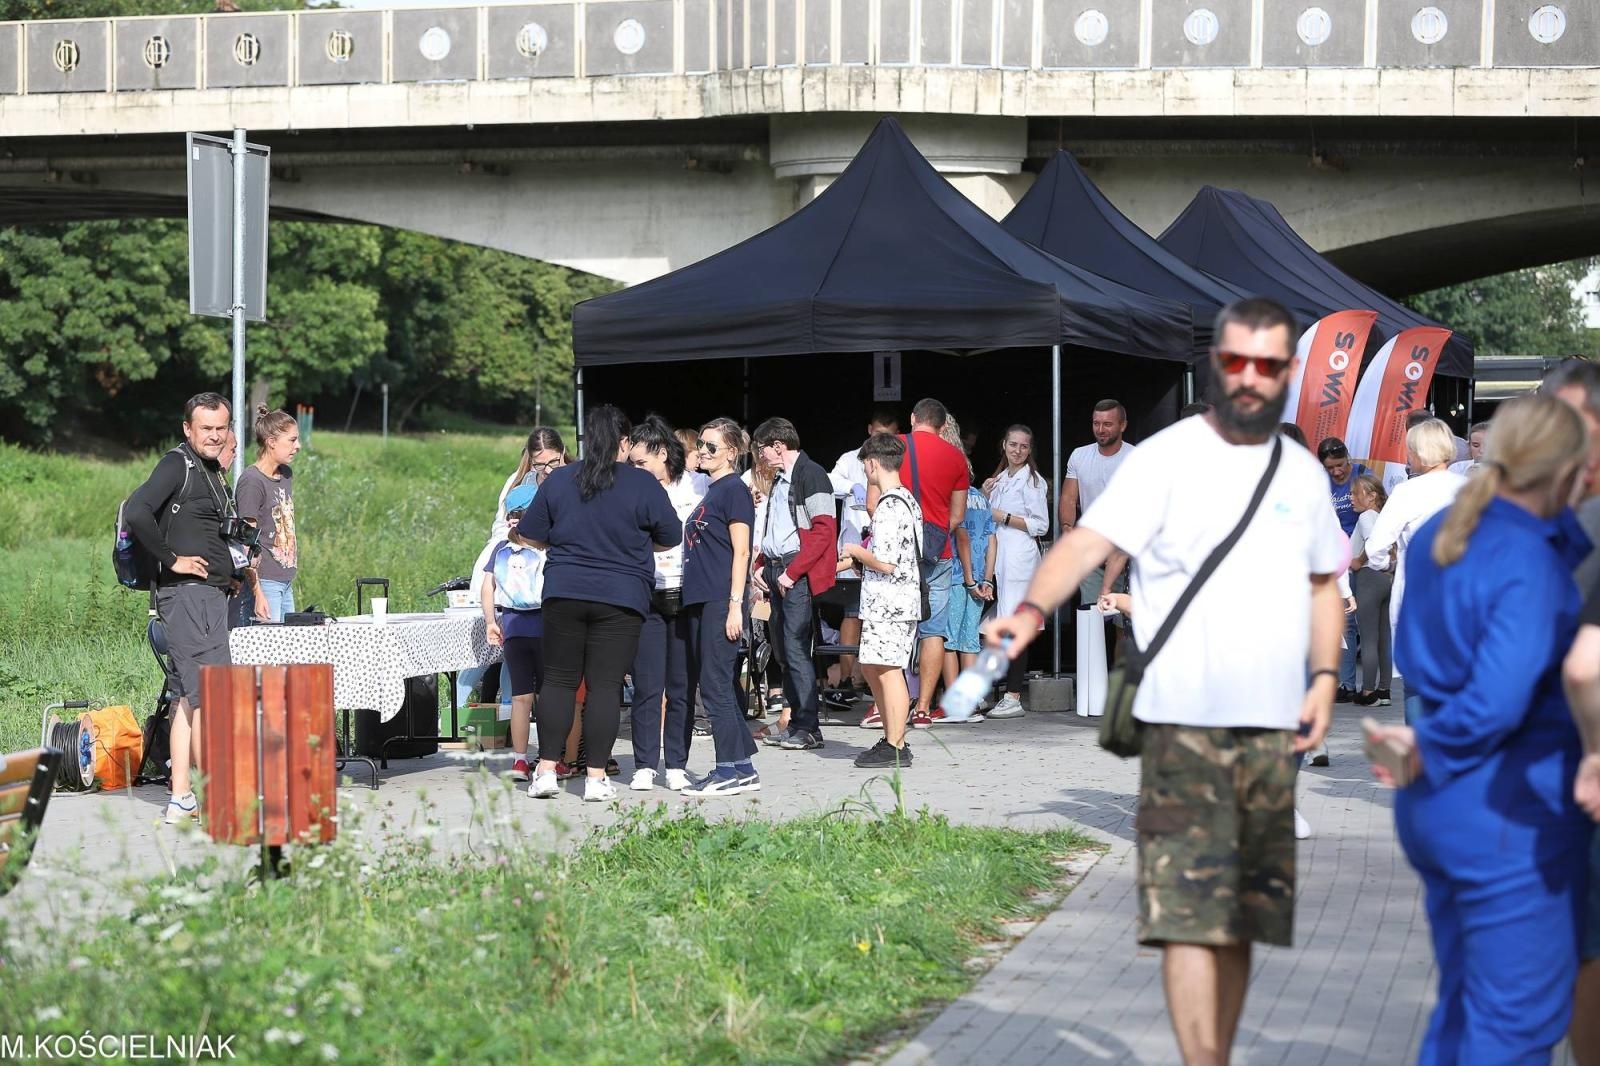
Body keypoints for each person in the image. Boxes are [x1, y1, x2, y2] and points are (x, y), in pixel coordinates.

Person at [986, 297, 1345, 1066]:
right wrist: (1027, 609)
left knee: (1245, 916)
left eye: (1269, 365)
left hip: (1270, 724)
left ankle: (1218, 1047)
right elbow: (1086, 542)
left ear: (1286, 373)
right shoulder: (1168, 458)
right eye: (1238, 362)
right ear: (1218, 366)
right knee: (1189, 912)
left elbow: (1323, 585)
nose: (1251, 378)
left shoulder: (1303, 474)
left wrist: (1322, 678)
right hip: (1181, 718)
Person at [1366, 394, 1591, 1065]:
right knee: (1516, 1025)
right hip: (1507, 807)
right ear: (1571, 470)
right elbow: (1498, 700)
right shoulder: (1527, 558)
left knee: (1469, 1007)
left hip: (1443, 803)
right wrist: (1427, 741)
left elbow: (1415, 653)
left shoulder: (1449, 531)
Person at [517, 406, 682, 802]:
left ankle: (544, 773)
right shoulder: (643, 485)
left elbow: (530, 534)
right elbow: (671, 535)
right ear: (624, 442)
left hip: (564, 592)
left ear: (585, 442)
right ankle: (594, 779)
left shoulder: (559, 482)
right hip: (621, 598)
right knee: (605, 687)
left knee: (557, 681)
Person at [124, 392, 239, 825]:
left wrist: (234, 569)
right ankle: (218, 798)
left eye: (220, 428)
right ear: (187, 429)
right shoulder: (178, 464)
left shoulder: (211, 471)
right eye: (205, 428)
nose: (213, 435)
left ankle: (184, 798)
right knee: (209, 695)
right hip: (187, 597)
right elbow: (137, 511)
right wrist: (172, 560)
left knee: (188, 698)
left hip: (208, 596)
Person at [1363, 418, 1467, 722]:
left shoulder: (1408, 492)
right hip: (1462, 592)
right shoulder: (1469, 488)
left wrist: (1387, 565)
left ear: (1419, 453)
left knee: (1417, 685)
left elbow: (1376, 547)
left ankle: (1420, 757)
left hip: (1418, 594)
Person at [680, 418, 759, 796]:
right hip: (701, 598)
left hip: (719, 598)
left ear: (731, 452)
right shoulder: (712, 490)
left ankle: (727, 769)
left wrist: (735, 605)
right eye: (701, 444)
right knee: (717, 682)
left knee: (714, 685)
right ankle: (742, 766)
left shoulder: (734, 491)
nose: (703, 451)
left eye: (712, 446)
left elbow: (741, 550)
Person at [625, 416, 703, 792]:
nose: (636, 469)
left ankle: (676, 763)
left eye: (641, 462)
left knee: (681, 685)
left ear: (661, 454)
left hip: (687, 593)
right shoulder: (632, 490)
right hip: (646, 592)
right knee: (646, 683)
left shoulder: (698, 486)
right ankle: (644, 764)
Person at [751, 417, 839, 751]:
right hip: (777, 570)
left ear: (777, 445)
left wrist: (792, 571)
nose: (760, 455)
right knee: (784, 649)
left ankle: (809, 728)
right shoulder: (780, 479)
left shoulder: (811, 473)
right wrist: (762, 564)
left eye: (762, 448)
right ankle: (795, 722)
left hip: (793, 572)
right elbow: (778, 526)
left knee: (797, 648)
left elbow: (823, 530)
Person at [841, 433, 924, 767]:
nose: (865, 471)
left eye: (864, 465)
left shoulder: (891, 505)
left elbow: (887, 562)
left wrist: (856, 551)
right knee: (875, 667)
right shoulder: (905, 499)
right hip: (887, 602)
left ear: (873, 463)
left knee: (889, 672)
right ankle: (891, 738)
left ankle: (896, 743)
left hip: (891, 604)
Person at [886, 398, 969, 728]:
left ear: (912, 418)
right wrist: (931, 535)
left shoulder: (893, 448)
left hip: (896, 556)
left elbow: (873, 503)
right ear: (942, 425)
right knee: (932, 631)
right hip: (939, 555)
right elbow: (958, 516)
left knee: (895, 627)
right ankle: (922, 709)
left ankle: (896, 702)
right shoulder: (956, 458)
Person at [829, 408, 900, 698]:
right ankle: (847, 679)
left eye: (889, 435)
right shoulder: (849, 459)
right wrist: (852, 486)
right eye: (879, 433)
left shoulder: (896, 462)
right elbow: (829, 482)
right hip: (852, 552)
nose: (882, 438)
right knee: (852, 614)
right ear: (869, 429)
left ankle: (872, 683)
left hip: (880, 551)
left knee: (876, 620)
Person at [980, 425, 1049, 720]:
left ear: (1030, 450)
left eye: (1023, 446)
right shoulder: (1000, 480)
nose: (1017, 451)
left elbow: (1040, 525)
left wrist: (1004, 516)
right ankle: (985, 689)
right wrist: (984, 495)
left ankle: (1013, 695)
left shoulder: (1032, 483)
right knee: (986, 627)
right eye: (1013, 445)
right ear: (1003, 445)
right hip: (998, 559)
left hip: (1020, 557)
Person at [481, 482, 545, 782]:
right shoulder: (546, 545)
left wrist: (490, 621)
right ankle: (550, 758)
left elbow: (487, 587)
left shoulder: (500, 548)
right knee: (550, 696)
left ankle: (519, 761)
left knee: (521, 698)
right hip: (546, 627)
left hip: (514, 628)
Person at [941, 421, 997, 724]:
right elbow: (992, 539)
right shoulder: (981, 497)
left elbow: (960, 537)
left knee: (950, 641)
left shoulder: (955, 500)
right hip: (978, 579)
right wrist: (987, 579)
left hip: (955, 577)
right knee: (970, 641)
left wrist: (970, 580)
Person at [1063, 400, 1136, 626]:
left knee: (1125, 626)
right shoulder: (1079, 455)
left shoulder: (1136, 457)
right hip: (1092, 550)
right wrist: (1067, 528)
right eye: (1096, 423)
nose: (1101, 429)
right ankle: (1092, 663)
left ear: (1122, 425)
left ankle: (1120, 664)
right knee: (1092, 619)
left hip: (1128, 552)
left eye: (1107, 424)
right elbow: (1068, 497)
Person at [235, 406, 300, 624]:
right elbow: (247, 543)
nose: (297, 446)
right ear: (271, 442)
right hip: (265, 582)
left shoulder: (285, 475)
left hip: (285, 579)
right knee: (268, 654)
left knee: (287, 652)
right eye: (292, 440)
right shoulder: (252, 482)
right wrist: (258, 592)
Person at [1318, 436, 1370, 702]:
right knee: (1346, 623)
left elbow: (1375, 510)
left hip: (1362, 557)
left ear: (1348, 458)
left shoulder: (1362, 473)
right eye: (1330, 468)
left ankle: (1373, 685)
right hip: (1337, 558)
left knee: (1368, 626)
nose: (1337, 472)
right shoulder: (1319, 484)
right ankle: (1347, 683)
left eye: (1340, 465)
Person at [1347, 474, 1393, 708]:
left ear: (1372, 495)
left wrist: (1358, 560)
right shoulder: (1383, 517)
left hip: (1367, 577)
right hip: (1385, 579)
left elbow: (1372, 541)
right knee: (1384, 638)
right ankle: (1384, 689)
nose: (1351, 498)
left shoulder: (1366, 516)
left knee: (1368, 638)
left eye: (1356, 493)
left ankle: (1368, 691)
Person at [676, 426, 711, 495]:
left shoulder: (702, 480)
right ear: (682, 453)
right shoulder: (662, 479)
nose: (700, 461)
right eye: (697, 456)